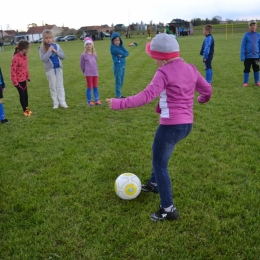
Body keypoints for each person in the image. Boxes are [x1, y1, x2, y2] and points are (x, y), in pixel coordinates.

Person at [106, 33, 212, 222]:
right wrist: (202, 99)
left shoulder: (163, 73)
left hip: (171, 126)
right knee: (159, 155)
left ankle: (168, 208)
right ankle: (154, 183)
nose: (152, 59)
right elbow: (207, 90)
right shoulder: (191, 68)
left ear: (161, 56)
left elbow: (144, 96)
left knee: (160, 164)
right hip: (186, 125)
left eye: (153, 55)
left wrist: (118, 103)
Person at [39, 29, 68, 109]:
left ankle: (63, 102)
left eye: (50, 38)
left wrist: (55, 51)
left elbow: (63, 57)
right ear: (44, 39)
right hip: (50, 70)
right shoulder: (41, 48)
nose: (48, 40)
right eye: (46, 38)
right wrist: (49, 51)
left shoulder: (57, 46)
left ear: (52, 38)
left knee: (60, 86)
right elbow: (44, 59)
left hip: (58, 69)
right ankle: (55, 103)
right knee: (53, 86)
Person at [10, 40, 32, 117]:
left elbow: (25, 68)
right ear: (24, 48)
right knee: (22, 95)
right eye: (28, 48)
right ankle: (25, 111)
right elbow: (13, 71)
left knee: (26, 95)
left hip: (24, 80)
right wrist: (15, 82)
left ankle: (27, 109)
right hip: (18, 81)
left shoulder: (25, 56)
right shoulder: (16, 58)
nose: (29, 49)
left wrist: (28, 77)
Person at [80, 37, 102, 106]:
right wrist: (84, 72)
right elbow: (82, 64)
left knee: (95, 86)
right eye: (87, 44)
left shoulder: (94, 54)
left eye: (90, 44)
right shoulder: (83, 55)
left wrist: (96, 72)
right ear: (85, 46)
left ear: (92, 45)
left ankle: (97, 100)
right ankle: (89, 101)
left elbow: (95, 63)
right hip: (88, 74)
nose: (89, 45)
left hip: (95, 73)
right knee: (89, 87)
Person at [240, 20, 260, 87]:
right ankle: (245, 82)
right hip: (247, 57)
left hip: (256, 57)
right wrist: (242, 56)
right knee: (246, 69)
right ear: (249, 26)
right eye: (251, 25)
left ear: (256, 26)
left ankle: (257, 82)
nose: (252, 27)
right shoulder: (246, 35)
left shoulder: (258, 35)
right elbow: (243, 46)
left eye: (254, 25)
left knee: (256, 69)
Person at [110, 32, 129, 99]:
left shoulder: (121, 46)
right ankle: (118, 95)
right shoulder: (112, 47)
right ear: (112, 40)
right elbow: (121, 52)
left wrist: (123, 55)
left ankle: (119, 93)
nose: (117, 42)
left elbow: (127, 53)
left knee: (122, 81)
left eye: (118, 40)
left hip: (123, 65)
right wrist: (123, 54)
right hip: (117, 66)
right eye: (115, 40)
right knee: (118, 81)